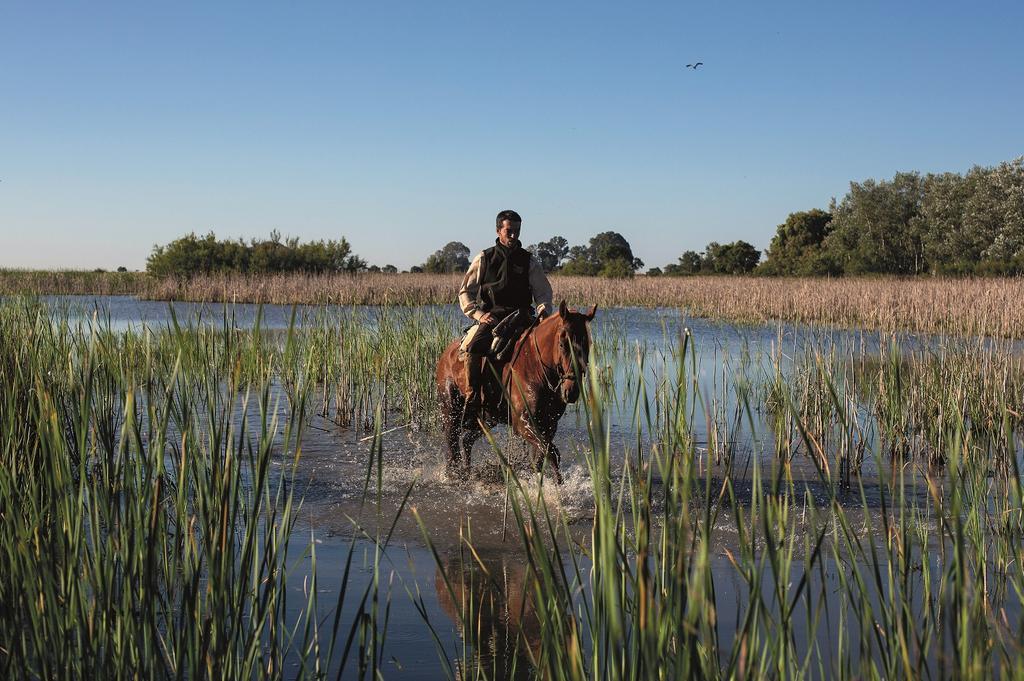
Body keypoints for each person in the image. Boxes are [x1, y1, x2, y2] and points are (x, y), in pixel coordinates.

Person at [458, 209, 554, 410]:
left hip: (523, 316)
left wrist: (544, 309)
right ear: (498, 230)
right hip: (492, 318)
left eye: (517, 231)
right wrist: (479, 315)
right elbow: (466, 292)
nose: (513, 235)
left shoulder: (529, 260)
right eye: (509, 231)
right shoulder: (484, 258)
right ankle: (473, 392)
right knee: (473, 347)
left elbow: (543, 292)